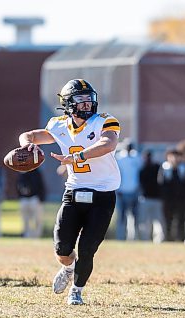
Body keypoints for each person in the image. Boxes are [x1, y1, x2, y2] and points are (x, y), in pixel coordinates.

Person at [18, 79, 120, 305]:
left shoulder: (105, 121)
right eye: (80, 99)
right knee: (62, 247)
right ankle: (69, 269)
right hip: (74, 191)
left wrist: (77, 157)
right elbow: (29, 135)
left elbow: (108, 144)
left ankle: (77, 290)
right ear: (68, 103)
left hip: (103, 193)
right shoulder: (59, 125)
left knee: (87, 248)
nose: (87, 103)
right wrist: (28, 145)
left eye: (89, 98)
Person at [115, 141, 142, 240]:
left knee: (134, 217)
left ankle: (132, 238)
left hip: (134, 191)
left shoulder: (137, 157)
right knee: (121, 217)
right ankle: (120, 237)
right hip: (121, 192)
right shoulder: (119, 158)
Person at [138, 150, 165, 243]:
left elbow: (161, 179)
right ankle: (145, 239)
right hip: (146, 198)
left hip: (155, 198)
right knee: (145, 222)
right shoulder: (142, 169)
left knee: (158, 221)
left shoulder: (156, 167)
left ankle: (158, 239)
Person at [16, 168, 46, 238]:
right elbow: (18, 184)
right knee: (25, 219)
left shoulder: (36, 172)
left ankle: (37, 235)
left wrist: (41, 198)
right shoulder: (21, 172)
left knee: (37, 219)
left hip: (34, 198)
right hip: (24, 199)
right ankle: (27, 235)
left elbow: (40, 185)